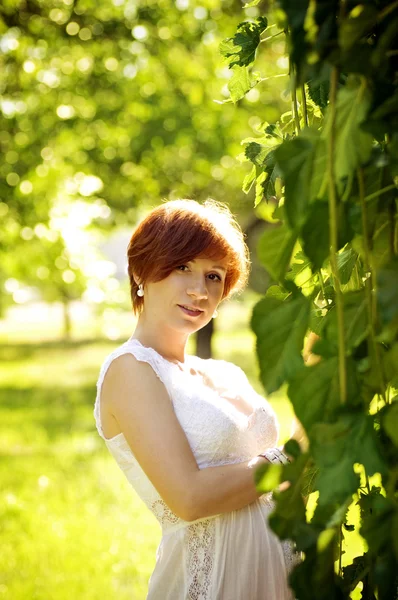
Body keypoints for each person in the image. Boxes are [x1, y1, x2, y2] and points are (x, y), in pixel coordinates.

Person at [94, 198, 302, 600]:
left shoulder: (224, 373)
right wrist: (291, 455)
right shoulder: (131, 370)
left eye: (214, 276)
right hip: (212, 581)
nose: (199, 290)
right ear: (141, 271)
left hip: (279, 569)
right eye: (182, 267)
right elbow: (190, 498)